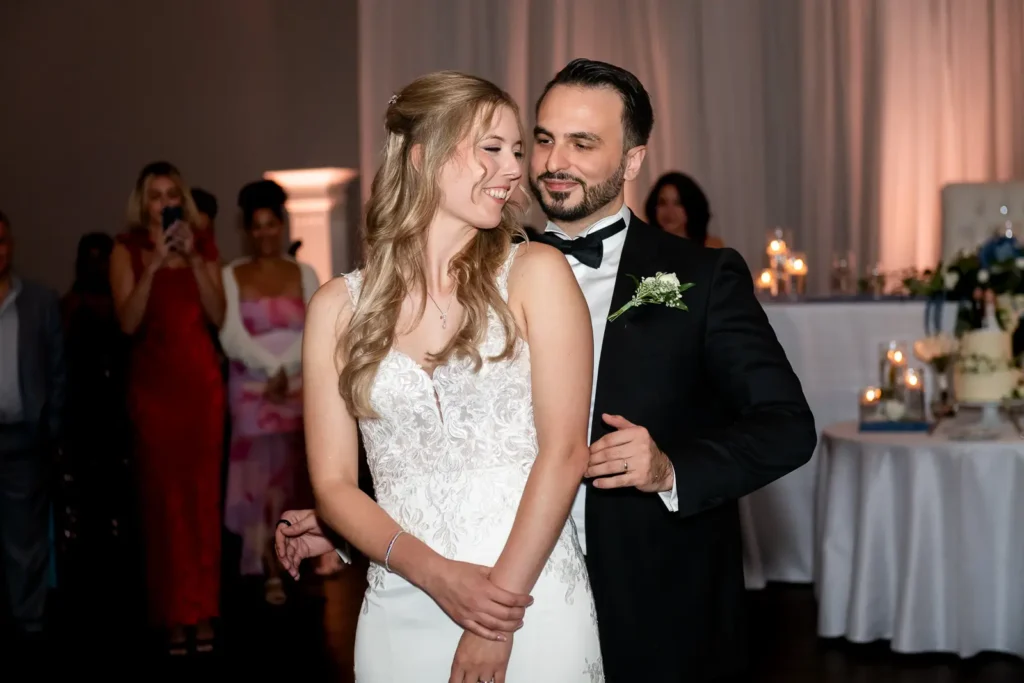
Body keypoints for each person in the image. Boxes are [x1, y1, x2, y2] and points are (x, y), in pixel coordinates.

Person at [280, 59, 816, 682]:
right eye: (542, 139)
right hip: (474, 582)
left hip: (644, 594)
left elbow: (786, 426)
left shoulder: (699, 276)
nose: (550, 161)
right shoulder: (488, 263)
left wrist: (671, 466)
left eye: (582, 143)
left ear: (633, 160)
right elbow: (451, 431)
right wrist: (348, 525)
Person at [295, 71, 601, 682]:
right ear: (422, 156)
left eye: (518, 151)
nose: (515, 169)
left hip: (529, 597)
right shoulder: (335, 307)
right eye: (492, 148)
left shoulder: (537, 273)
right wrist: (437, 576)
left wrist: (493, 617)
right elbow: (333, 485)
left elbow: (566, 453)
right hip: (401, 602)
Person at [109, 161, 226, 656]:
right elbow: (127, 323)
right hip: (155, 396)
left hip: (201, 391)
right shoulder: (127, 249)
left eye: (171, 193)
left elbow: (219, 315)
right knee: (165, 506)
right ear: (143, 203)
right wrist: (155, 263)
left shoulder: (203, 244)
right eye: (155, 196)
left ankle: (204, 611)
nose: (163, 203)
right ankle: (174, 615)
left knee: (202, 502)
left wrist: (194, 262)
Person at [219, 180, 319, 604]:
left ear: (281, 225)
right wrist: (270, 368)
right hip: (252, 391)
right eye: (255, 226)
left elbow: (319, 325)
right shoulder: (230, 274)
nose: (263, 234)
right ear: (246, 229)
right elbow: (231, 335)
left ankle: (292, 557)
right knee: (256, 480)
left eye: (271, 225)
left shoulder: (305, 272)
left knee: (290, 476)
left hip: (296, 391)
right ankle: (263, 562)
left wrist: (289, 368)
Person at [0, 211, 66, 650]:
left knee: (24, 541)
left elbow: (58, 373)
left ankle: (30, 624)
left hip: (22, 437)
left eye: (2, 241)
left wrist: (53, 431)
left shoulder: (39, 302)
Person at [644, 171, 724, 247]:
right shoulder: (644, 248)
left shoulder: (711, 247)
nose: (669, 211)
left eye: (678, 203)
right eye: (662, 202)